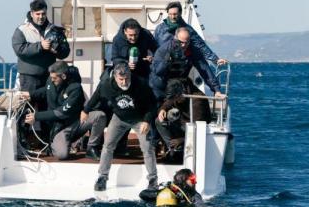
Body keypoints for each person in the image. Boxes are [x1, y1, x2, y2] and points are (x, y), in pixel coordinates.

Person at [87, 64, 159, 192]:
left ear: (130, 75)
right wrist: (85, 110)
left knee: (147, 148)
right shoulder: (106, 85)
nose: (124, 82)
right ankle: (102, 177)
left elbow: (153, 104)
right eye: (121, 79)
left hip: (140, 119)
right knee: (108, 145)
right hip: (119, 118)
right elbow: (96, 96)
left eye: (126, 78)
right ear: (115, 77)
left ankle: (153, 180)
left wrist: (147, 121)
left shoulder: (141, 84)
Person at [150, 28, 226, 121]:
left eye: (187, 42)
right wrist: (166, 61)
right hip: (162, 82)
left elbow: (205, 70)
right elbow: (157, 72)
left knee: (200, 99)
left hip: (182, 81)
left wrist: (216, 89)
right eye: (181, 42)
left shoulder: (193, 50)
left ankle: (199, 125)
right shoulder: (164, 50)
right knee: (161, 104)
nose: (184, 45)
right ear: (175, 39)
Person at [19, 61, 85, 160]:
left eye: (54, 78)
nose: (52, 80)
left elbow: (61, 113)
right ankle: (64, 141)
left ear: (63, 76)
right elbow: (47, 89)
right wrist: (31, 94)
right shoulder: (51, 80)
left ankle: (86, 144)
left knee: (62, 154)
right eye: (51, 77)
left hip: (69, 122)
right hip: (55, 124)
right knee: (61, 151)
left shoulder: (76, 89)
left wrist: (36, 116)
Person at [12, 0, 69, 94]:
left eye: (43, 14)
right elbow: (19, 49)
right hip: (28, 78)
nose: (41, 17)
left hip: (49, 76)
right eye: (37, 14)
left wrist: (57, 50)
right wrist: (40, 46)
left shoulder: (55, 30)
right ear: (31, 14)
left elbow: (65, 51)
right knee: (29, 107)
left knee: (48, 106)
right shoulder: (21, 30)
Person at [154, 1, 227, 67]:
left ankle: (212, 81)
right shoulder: (160, 29)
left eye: (175, 14)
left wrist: (215, 59)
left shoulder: (187, 29)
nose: (172, 17)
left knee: (199, 58)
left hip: (181, 63)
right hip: (163, 63)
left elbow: (200, 45)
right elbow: (153, 45)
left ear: (180, 13)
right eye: (170, 14)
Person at [110, 18, 158, 84]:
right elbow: (115, 58)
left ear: (139, 31)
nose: (133, 38)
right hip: (125, 73)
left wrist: (153, 57)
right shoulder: (117, 40)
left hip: (143, 70)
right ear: (125, 31)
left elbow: (157, 50)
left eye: (135, 35)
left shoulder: (146, 34)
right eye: (130, 35)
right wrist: (126, 64)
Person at [153, 80, 189, 160]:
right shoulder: (175, 97)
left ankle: (179, 147)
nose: (174, 101)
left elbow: (199, 129)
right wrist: (162, 110)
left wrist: (182, 139)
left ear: (180, 94)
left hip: (192, 128)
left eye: (175, 98)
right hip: (182, 124)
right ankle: (172, 148)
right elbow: (167, 103)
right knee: (159, 121)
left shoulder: (196, 101)